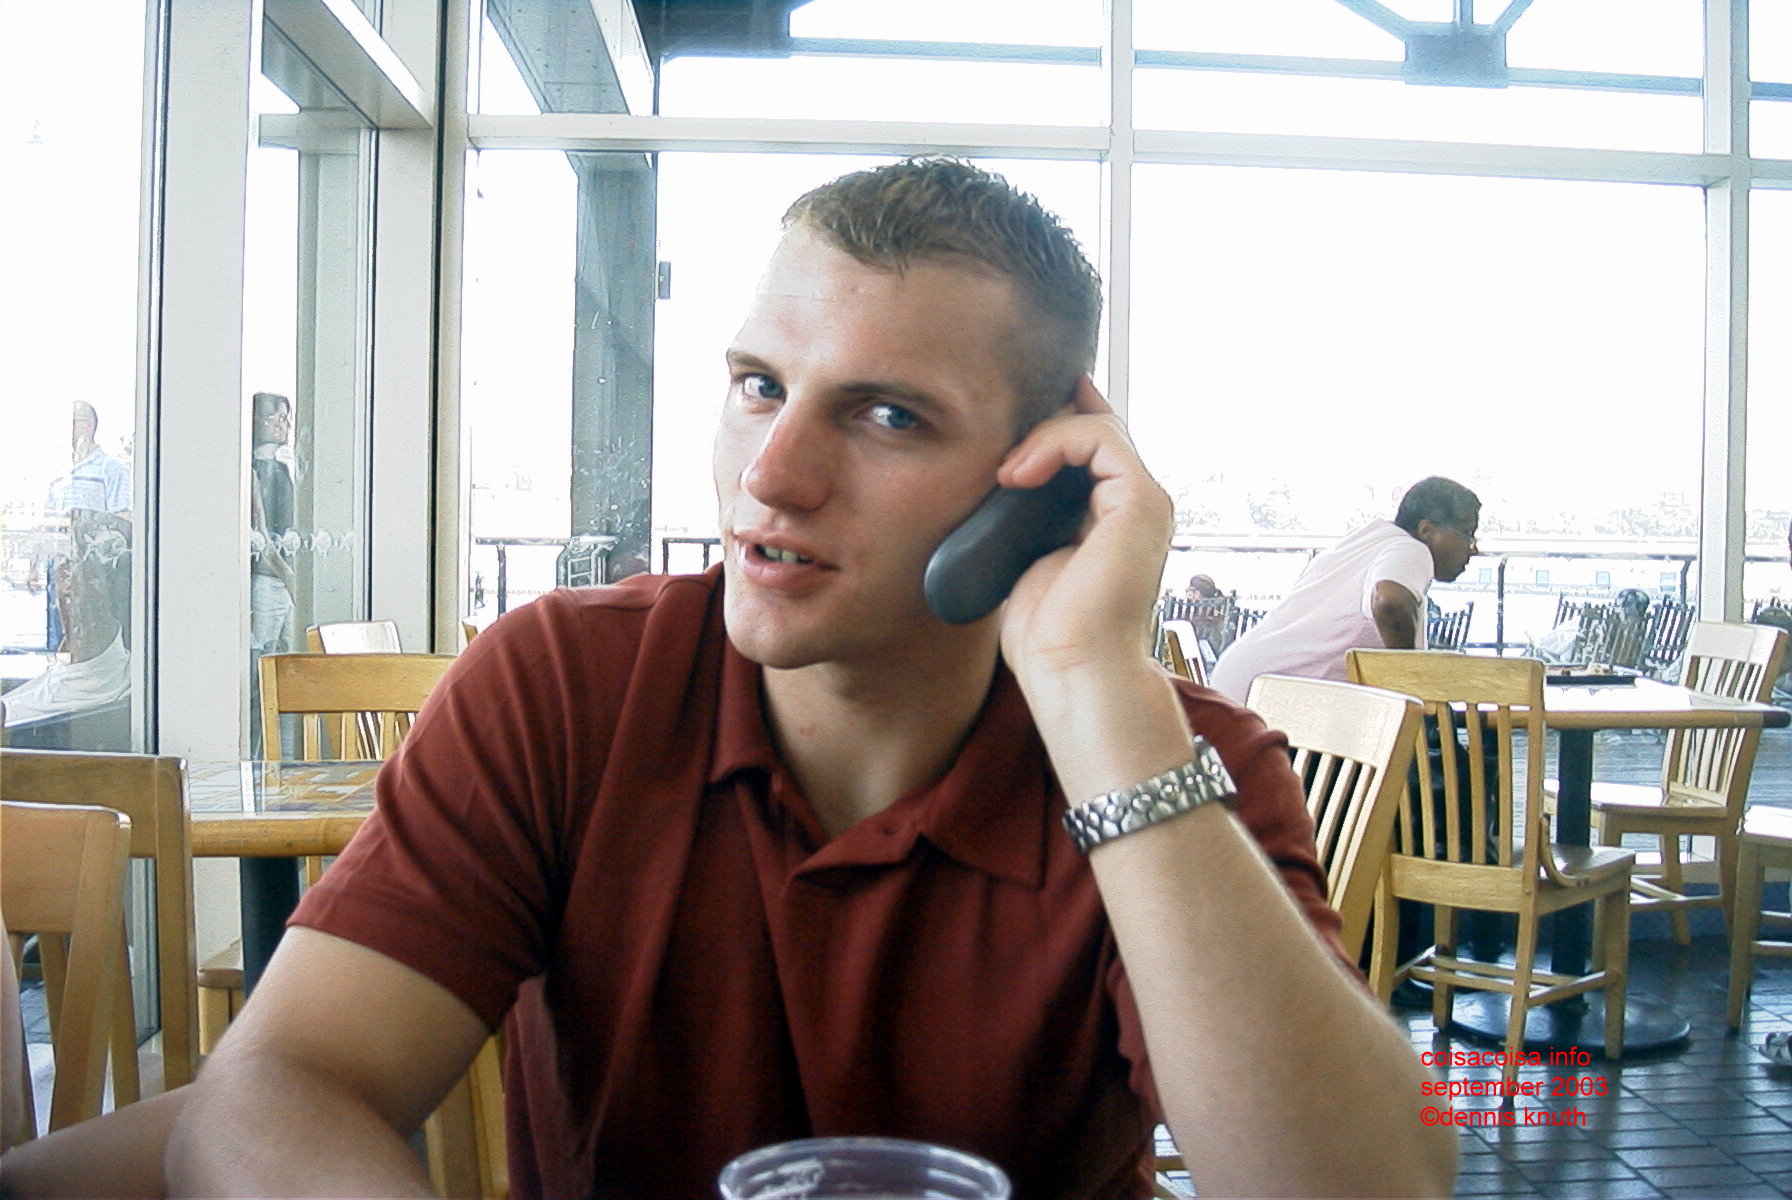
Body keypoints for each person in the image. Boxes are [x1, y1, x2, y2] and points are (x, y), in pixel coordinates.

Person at [158, 159, 1452, 1198]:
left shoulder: (1167, 757)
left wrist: (1099, 694)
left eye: (888, 414)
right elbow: (284, 1087)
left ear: (1045, 478)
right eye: (758, 384)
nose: (770, 475)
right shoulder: (568, 685)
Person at [1209, 476, 1481, 702]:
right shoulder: (1411, 549)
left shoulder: (1366, 542)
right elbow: (1390, 602)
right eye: (1468, 534)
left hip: (1242, 687)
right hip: (1262, 704)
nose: (1474, 548)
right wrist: (1410, 681)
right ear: (1427, 529)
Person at [249, 391, 299, 661]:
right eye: (278, 418)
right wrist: (289, 575)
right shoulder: (253, 472)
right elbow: (262, 532)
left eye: (286, 418)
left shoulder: (280, 469)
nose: (286, 425)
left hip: (284, 577)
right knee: (262, 656)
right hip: (269, 581)